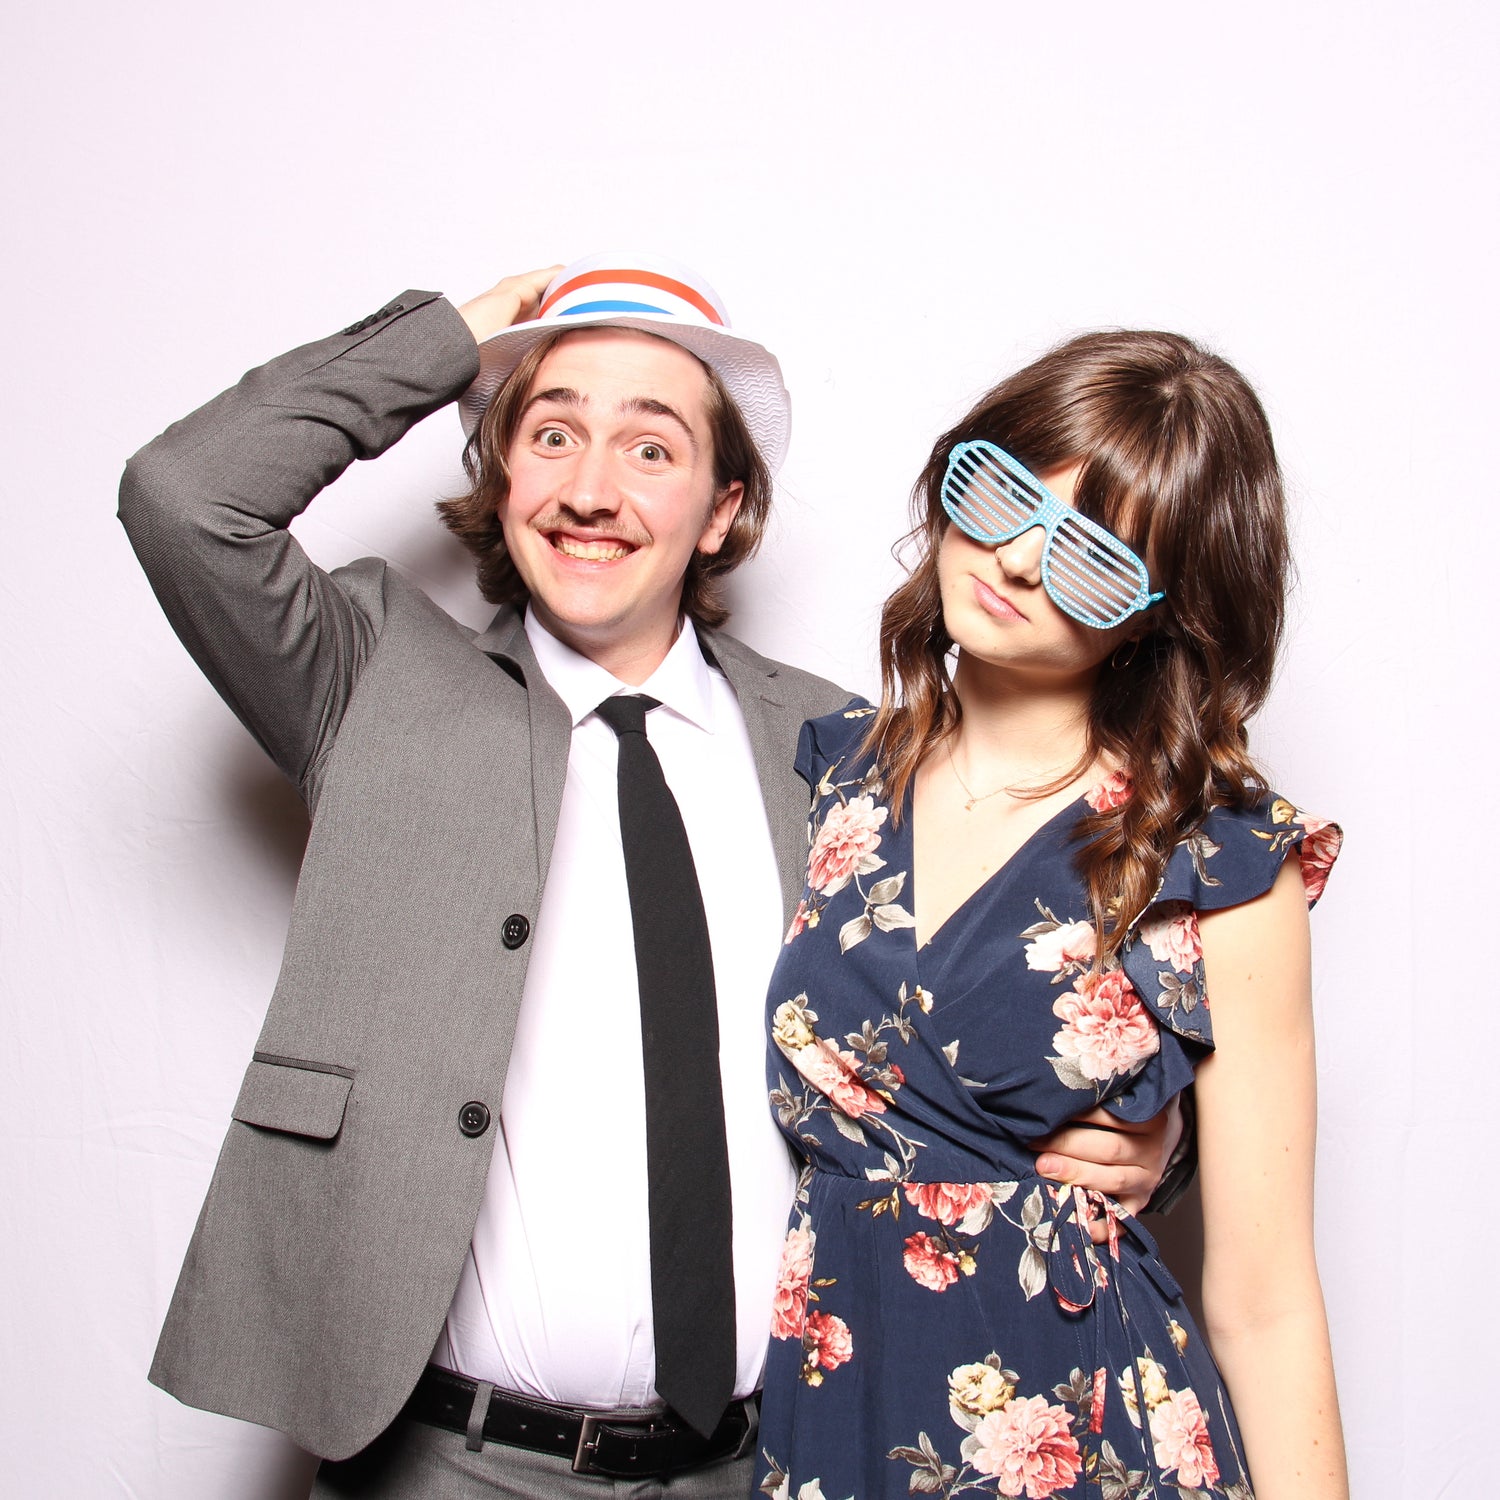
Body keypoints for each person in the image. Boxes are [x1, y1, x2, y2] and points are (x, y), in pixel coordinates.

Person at [118, 257, 1178, 1498]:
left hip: (778, 1455)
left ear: (723, 510)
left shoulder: (842, 751)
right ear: (500, 476)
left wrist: (1151, 1137)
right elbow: (185, 500)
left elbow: (1003, 1004)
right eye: (552, 433)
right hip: (450, 1463)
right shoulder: (374, 684)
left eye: (651, 449)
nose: (589, 489)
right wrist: (447, 345)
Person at [756, 331, 1348, 1499]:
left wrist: (1154, 1151)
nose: (1019, 559)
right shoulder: (832, 779)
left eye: (1091, 558)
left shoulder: (1216, 860)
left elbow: (1268, 1299)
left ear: (1160, 621)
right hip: (836, 1416)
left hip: (1085, 1437)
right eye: (1002, 492)